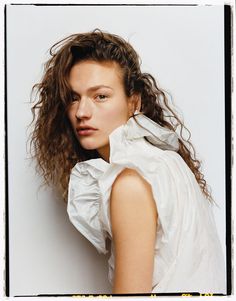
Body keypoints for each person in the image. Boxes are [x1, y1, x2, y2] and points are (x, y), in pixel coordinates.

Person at [31, 29, 225, 294]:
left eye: (100, 96)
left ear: (134, 102)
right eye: (74, 98)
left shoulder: (129, 183)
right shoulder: (163, 160)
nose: (81, 112)